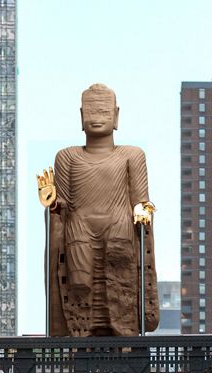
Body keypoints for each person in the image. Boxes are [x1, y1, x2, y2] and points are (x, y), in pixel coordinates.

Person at [42, 83, 159, 337]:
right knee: (80, 287)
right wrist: (51, 203)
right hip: (79, 229)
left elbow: (141, 200)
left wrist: (142, 212)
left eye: (104, 112)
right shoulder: (67, 157)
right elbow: (62, 207)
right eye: (91, 112)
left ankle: (125, 339)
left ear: (116, 116)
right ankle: (80, 339)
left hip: (119, 228)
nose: (96, 118)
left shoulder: (132, 155)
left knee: (121, 287)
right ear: (81, 116)